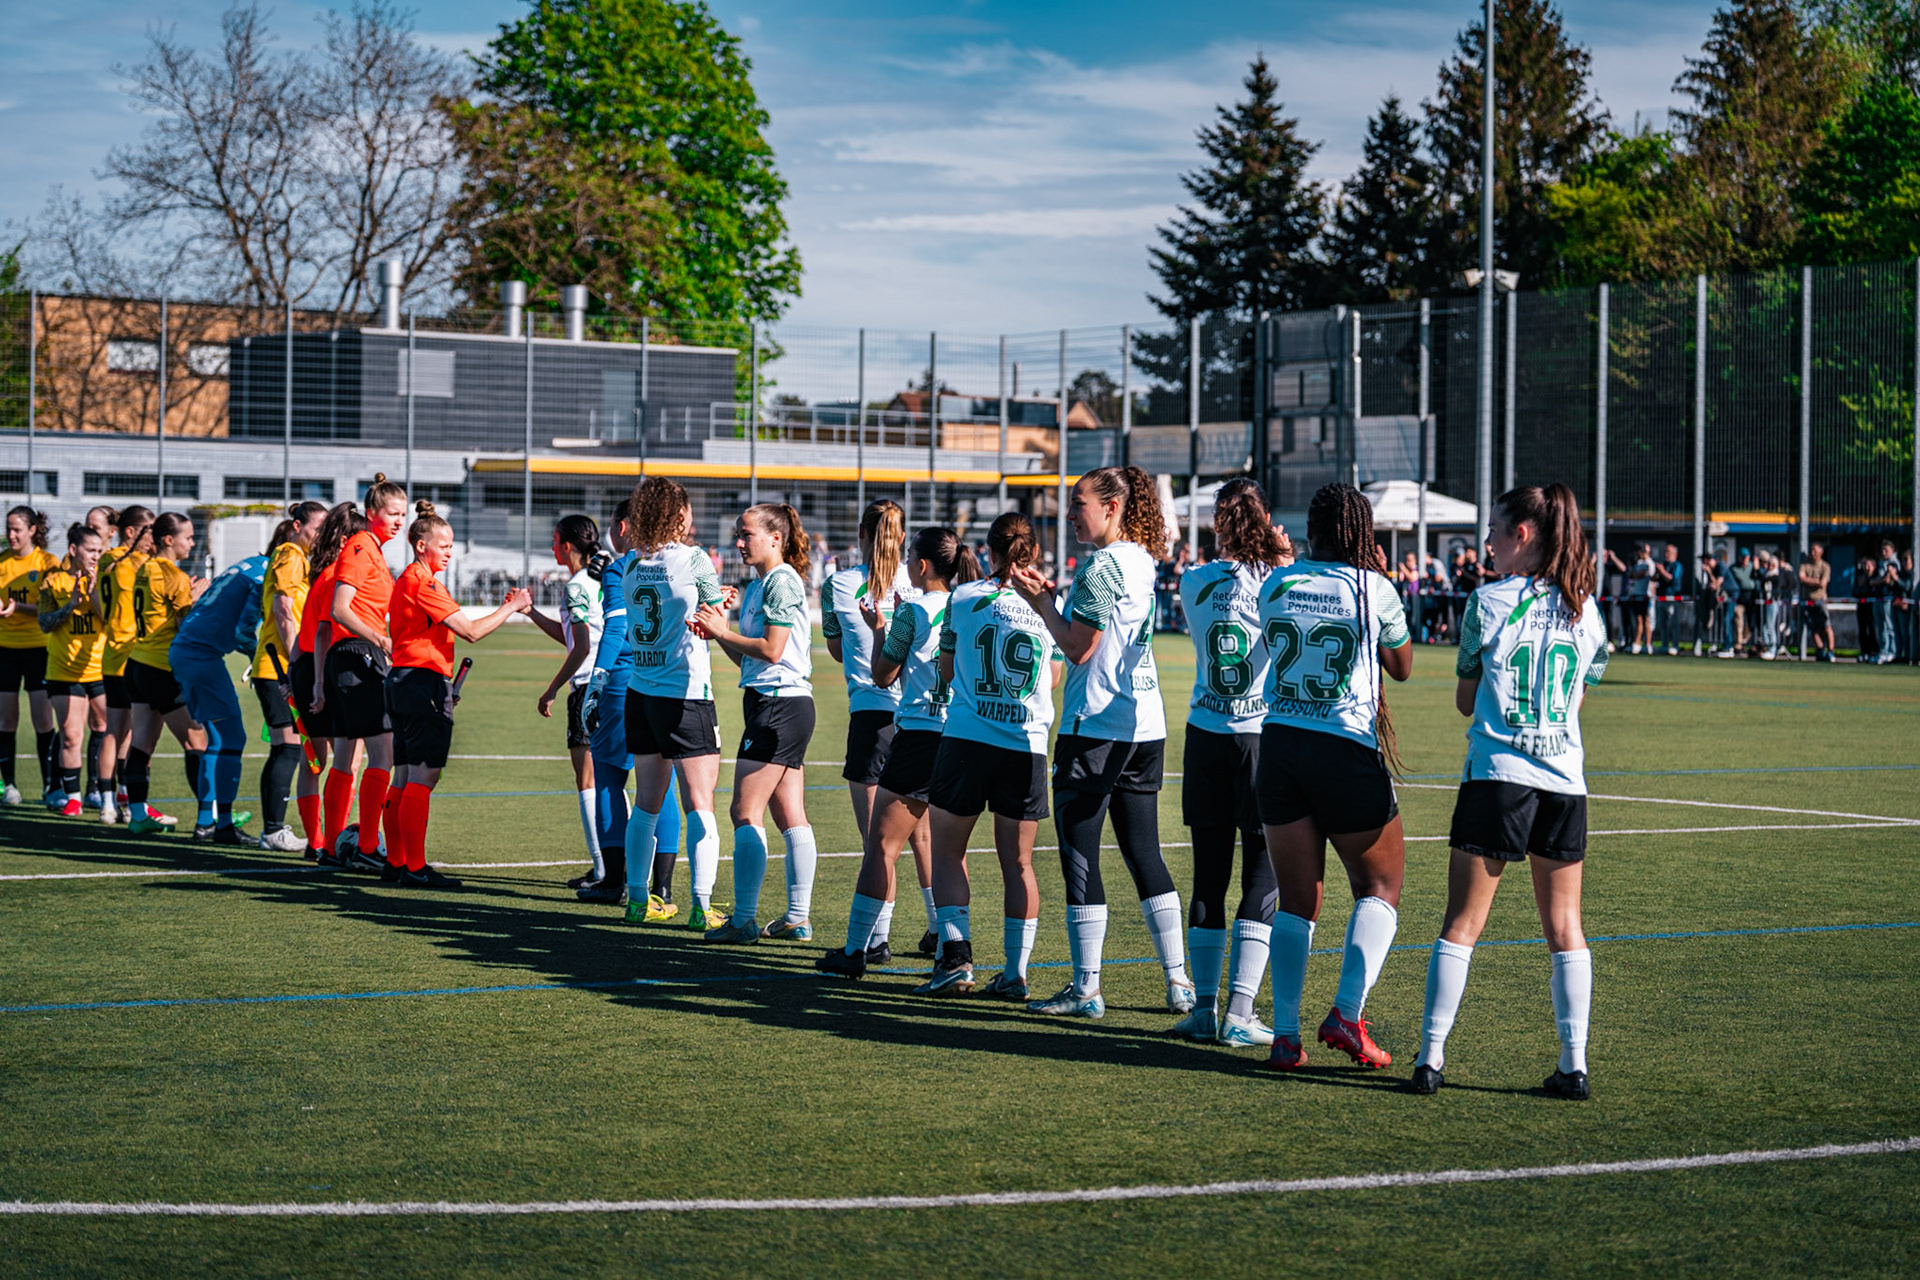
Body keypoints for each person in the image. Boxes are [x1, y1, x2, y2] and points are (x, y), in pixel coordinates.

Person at [1412, 483, 1608, 1100]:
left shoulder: (1487, 602)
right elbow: (1577, 699)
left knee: (1461, 924)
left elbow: (1466, 700)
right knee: (1566, 927)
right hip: (1564, 781)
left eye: (1495, 531)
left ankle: (1429, 1059)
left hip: (1499, 776)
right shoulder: (1590, 612)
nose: (1487, 544)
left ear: (1522, 535)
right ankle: (1573, 1066)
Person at [1010, 465, 1189, 1020]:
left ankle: (1086, 988)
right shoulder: (1141, 558)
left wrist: (1042, 607)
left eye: (1079, 502)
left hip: (1096, 729)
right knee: (1145, 855)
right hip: (1145, 724)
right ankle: (1180, 981)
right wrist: (1056, 601)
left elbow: (1078, 648)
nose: (1070, 514)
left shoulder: (1102, 566)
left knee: (1080, 857)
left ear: (1112, 506)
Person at [1255, 483, 1413, 1071]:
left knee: (1296, 902)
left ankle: (1286, 1036)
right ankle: (1347, 1013)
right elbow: (1400, 667)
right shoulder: (1373, 588)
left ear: (1312, 529)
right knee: (1381, 888)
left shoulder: (1279, 582)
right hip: (1344, 748)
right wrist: (1376, 580)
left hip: (1281, 745)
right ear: (1361, 532)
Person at [817, 526, 980, 979]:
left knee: (880, 848)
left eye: (911, 559)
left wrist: (879, 628)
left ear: (923, 566)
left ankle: (856, 950)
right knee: (950, 855)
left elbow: (882, 675)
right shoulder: (967, 606)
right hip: (963, 737)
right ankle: (955, 954)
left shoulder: (912, 612)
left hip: (919, 737)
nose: (905, 566)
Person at [912, 513, 1062, 996]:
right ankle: (1015, 975)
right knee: (1018, 864)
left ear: (991, 553)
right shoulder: (1048, 603)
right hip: (1025, 746)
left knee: (949, 854)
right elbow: (1055, 676)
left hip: (967, 740)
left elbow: (950, 670)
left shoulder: (964, 596)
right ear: (1033, 553)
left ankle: (956, 961)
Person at [1172, 477, 1291, 1047]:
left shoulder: (1193, 580)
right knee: (1263, 872)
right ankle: (1240, 1012)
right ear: (1265, 519)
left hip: (1205, 734)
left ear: (1219, 523)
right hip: (1258, 737)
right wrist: (1282, 557)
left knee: (1208, 875)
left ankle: (1203, 1008)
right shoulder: (1281, 581)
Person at [382, 501, 530, 888]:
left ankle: (397, 864)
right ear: (421, 546)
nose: (449, 552)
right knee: (423, 775)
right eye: (443, 546)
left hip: (403, 681)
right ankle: (414, 868)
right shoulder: (424, 582)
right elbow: (471, 631)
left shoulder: (408, 580)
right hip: (420, 684)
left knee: (403, 775)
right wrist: (511, 606)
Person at [605, 478, 728, 930]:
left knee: (646, 803)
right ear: (679, 516)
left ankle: (638, 899)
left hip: (642, 692)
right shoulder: (695, 559)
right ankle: (701, 904)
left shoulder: (634, 565)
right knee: (700, 804)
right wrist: (724, 605)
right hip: (685, 694)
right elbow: (714, 619)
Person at [694, 502, 819, 943]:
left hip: (779, 708)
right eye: (738, 533)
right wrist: (719, 628)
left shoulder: (781, 581)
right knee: (789, 814)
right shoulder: (761, 584)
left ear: (776, 538)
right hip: (777, 703)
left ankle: (744, 920)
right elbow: (749, 660)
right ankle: (797, 917)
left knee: (744, 811)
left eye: (747, 534)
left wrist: (722, 631)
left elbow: (772, 650)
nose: (739, 542)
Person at [820, 499, 938, 956]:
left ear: (863, 534)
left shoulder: (841, 584)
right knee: (923, 834)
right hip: (919, 716)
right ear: (903, 537)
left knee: (877, 841)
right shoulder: (917, 585)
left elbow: (835, 648)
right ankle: (937, 929)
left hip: (871, 715)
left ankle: (877, 938)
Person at [583, 500, 681, 919]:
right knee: (664, 784)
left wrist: (598, 679)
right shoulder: (674, 564)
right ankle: (663, 886)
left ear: (623, 526)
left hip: (626, 680)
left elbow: (619, 626)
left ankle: (614, 881)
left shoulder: (621, 567)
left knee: (607, 775)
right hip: (668, 679)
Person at [311, 475, 408, 871]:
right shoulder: (360, 548)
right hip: (357, 655)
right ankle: (367, 845)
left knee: (347, 756)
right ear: (372, 514)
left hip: (349, 657)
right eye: (393, 514)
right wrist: (378, 638)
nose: (400, 521)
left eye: (404, 514)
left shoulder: (372, 550)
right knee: (382, 752)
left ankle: (334, 848)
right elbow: (339, 609)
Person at [170, 546, 272, 845]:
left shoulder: (250, 564)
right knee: (231, 738)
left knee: (221, 739)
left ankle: (209, 823)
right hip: (199, 655)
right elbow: (243, 632)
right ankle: (218, 825)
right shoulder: (265, 574)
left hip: (191, 652)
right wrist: (262, 658)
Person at [120, 513, 213, 836]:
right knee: (195, 741)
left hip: (137, 664)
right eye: (187, 537)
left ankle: (137, 815)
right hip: (162, 669)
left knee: (143, 742)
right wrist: (198, 600)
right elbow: (186, 630)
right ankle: (208, 818)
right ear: (169, 540)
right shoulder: (174, 577)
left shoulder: (144, 568)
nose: (191, 542)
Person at [526, 515, 607, 882]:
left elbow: (581, 647)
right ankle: (618, 866)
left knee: (587, 782)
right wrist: (530, 613)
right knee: (610, 779)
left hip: (588, 687)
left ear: (568, 546)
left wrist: (552, 688)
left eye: (555, 540)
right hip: (611, 684)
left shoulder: (576, 585)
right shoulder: (600, 578)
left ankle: (604, 868)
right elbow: (572, 637)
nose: (552, 547)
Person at [251, 503, 328, 852]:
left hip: (282, 664)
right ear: (297, 525)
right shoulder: (290, 554)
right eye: (316, 528)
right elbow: (283, 608)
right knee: (287, 748)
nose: (320, 535)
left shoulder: (300, 558)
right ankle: (272, 830)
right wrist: (297, 660)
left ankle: (274, 828)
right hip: (278, 666)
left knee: (289, 748)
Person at [292, 504, 363, 863]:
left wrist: (293, 677)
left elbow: (306, 631)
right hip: (326, 670)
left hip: (306, 669)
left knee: (315, 762)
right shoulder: (340, 574)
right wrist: (320, 682)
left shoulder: (321, 573)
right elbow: (324, 631)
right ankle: (334, 841)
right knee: (347, 761)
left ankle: (317, 841)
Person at [36, 523, 108, 817]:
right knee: (70, 735)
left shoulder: (105, 581)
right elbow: (44, 623)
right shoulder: (52, 582)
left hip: (101, 671)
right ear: (73, 550)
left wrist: (92, 596)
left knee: (105, 730)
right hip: (64, 672)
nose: (95, 556)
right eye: (90, 550)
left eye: (99, 551)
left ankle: (101, 791)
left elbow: (111, 621)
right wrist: (72, 604)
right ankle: (73, 797)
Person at [96, 505, 156, 824]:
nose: (155, 538)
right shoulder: (133, 563)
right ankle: (134, 803)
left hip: (110, 655)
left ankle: (109, 802)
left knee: (113, 731)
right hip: (132, 654)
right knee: (136, 733)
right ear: (131, 532)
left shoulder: (106, 559)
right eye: (150, 531)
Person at [0, 505, 59, 808]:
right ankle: (8, 785)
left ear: (32, 530)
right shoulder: (1, 562)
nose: (11, 534)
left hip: (39, 649)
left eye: (17, 529)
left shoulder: (48, 563)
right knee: (6, 720)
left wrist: (18, 609)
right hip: (4, 649)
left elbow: (50, 610)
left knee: (42, 719)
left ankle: (51, 786)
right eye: (8, 528)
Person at [1799, 544, 1834, 662]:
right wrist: (1815, 581)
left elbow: (1823, 583)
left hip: (1820, 600)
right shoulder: (1805, 565)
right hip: (1808, 601)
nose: (1812, 553)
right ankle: (1820, 650)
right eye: (1811, 550)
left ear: (1821, 551)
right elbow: (1801, 577)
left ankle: (1831, 651)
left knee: (1826, 626)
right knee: (1813, 628)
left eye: (1815, 550)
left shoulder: (1825, 566)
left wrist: (1809, 581)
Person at [1623, 543, 1655, 654]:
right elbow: (1632, 575)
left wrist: (1635, 574)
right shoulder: (1639, 563)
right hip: (1636, 595)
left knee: (1646, 619)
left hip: (1645, 595)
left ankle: (1648, 644)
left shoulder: (1649, 563)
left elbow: (1640, 575)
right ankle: (1637, 642)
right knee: (1638, 620)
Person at [1875, 541, 1902, 664]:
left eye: (1886, 550)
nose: (1883, 552)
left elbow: (1888, 580)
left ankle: (1892, 651)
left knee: (1890, 627)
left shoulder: (1894, 563)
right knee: (1881, 627)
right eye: (1882, 549)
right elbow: (1878, 580)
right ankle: (1883, 651)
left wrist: (1879, 580)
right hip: (1879, 598)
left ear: (1893, 550)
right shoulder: (1882, 564)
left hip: (1888, 599)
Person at [1657, 543, 1687, 655]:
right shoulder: (1663, 564)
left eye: (1668, 552)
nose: (1666, 554)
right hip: (1662, 598)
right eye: (1665, 552)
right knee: (1662, 623)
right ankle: (1664, 645)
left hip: (1673, 598)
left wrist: (1662, 571)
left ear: (1675, 554)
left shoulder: (1677, 565)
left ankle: (1675, 645)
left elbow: (1672, 579)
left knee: (1674, 623)